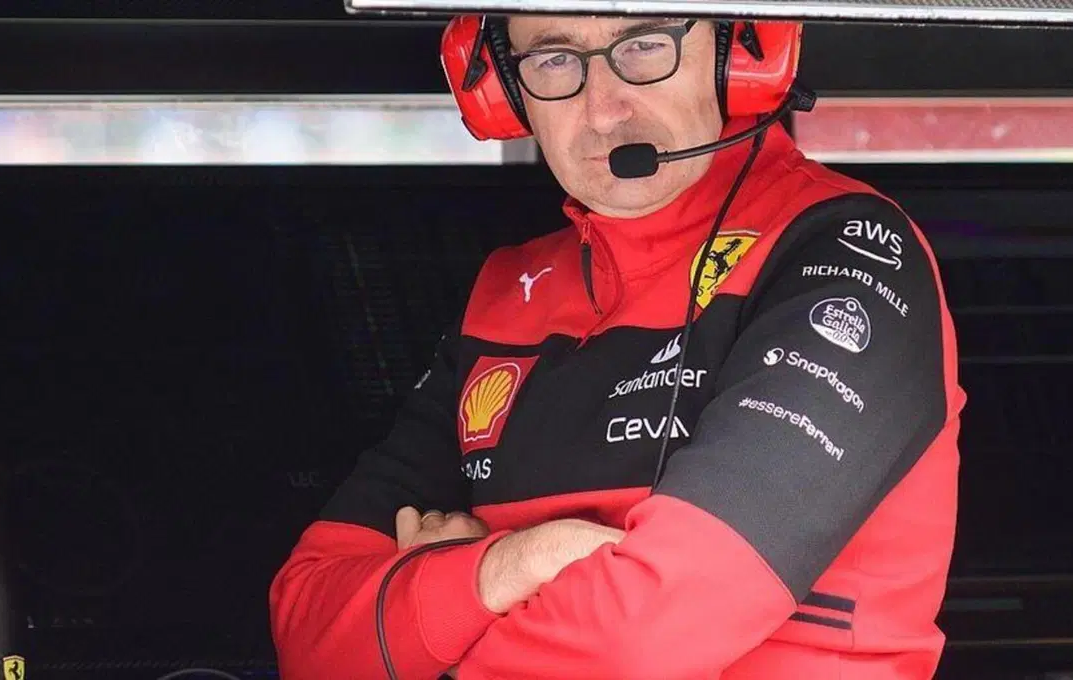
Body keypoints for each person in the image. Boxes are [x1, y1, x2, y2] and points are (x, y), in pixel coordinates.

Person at [268, 12, 965, 680]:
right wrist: (510, 565)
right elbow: (310, 641)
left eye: (644, 45)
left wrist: (431, 632)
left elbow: (641, 641)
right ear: (503, 88)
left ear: (736, 52)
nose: (604, 111)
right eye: (553, 58)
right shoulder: (504, 295)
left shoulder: (845, 250)